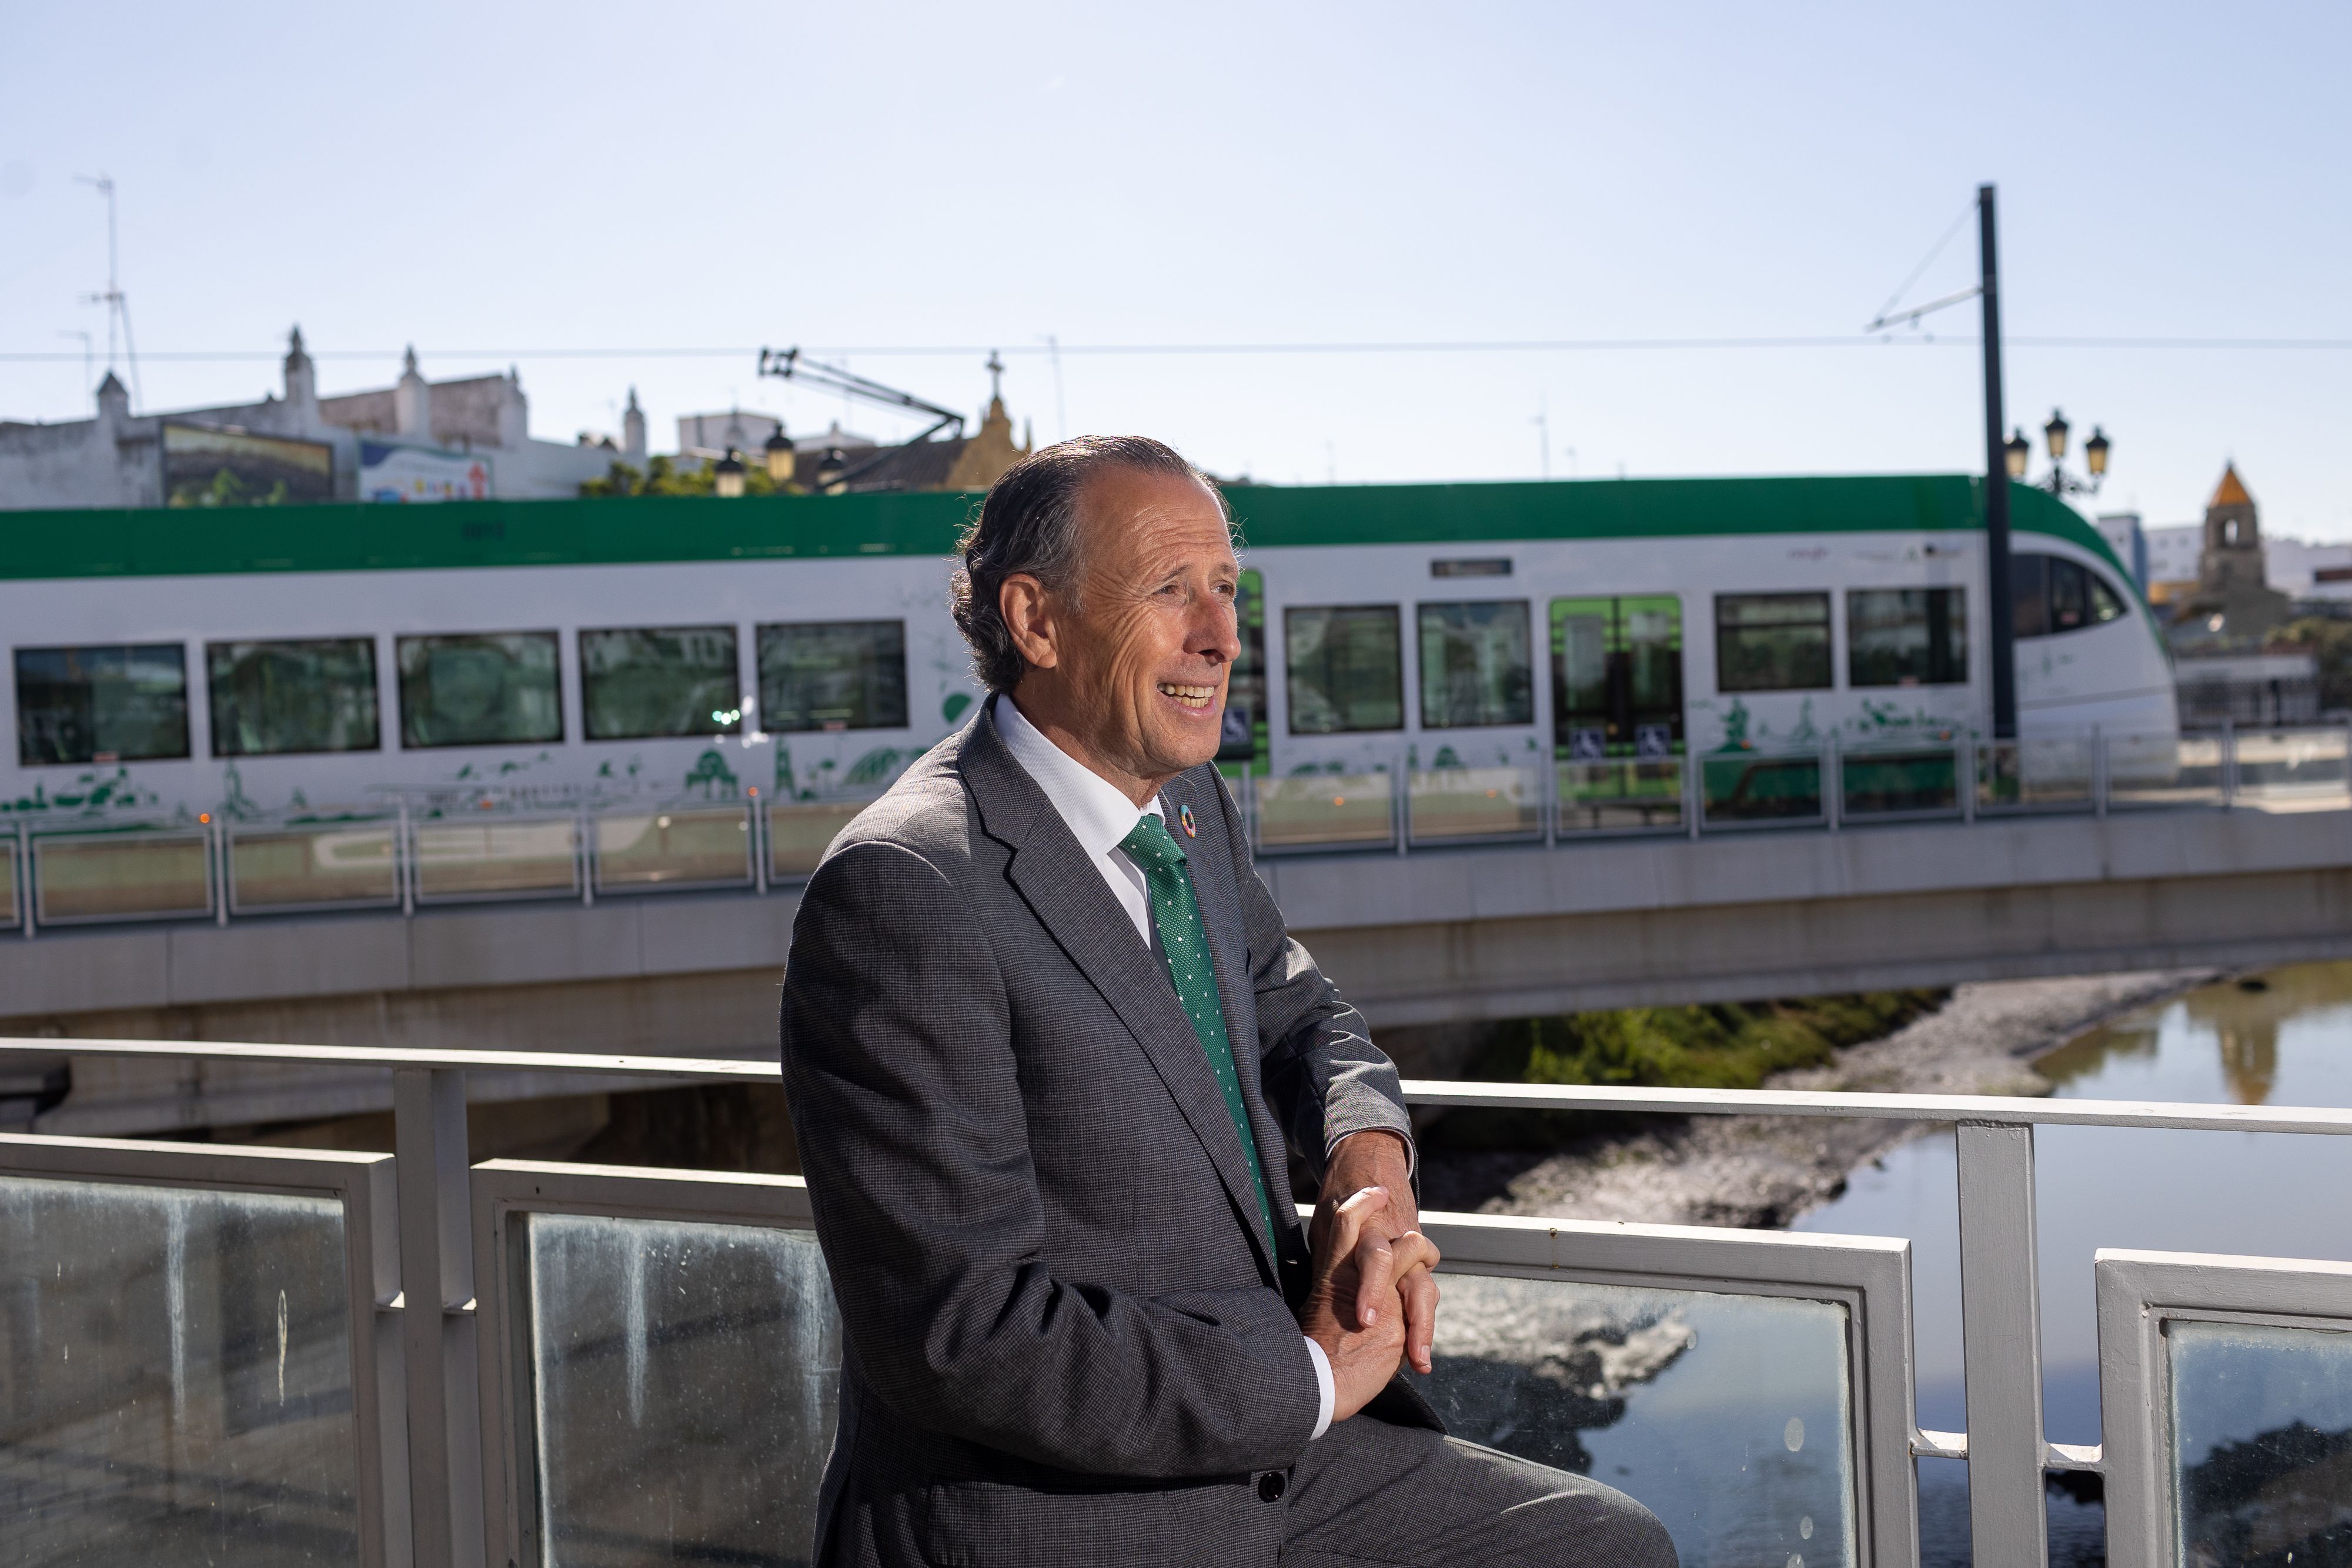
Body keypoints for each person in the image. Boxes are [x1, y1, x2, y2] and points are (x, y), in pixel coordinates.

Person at [779, 436, 1675, 1567]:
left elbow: (1303, 1016)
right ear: (1036, 620)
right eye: (1171, 590)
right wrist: (1307, 1377)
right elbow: (962, 1333)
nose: (1221, 636)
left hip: (1274, 1465)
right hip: (1064, 1513)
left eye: (1227, 588)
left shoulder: (1186, 804)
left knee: (1606, 1545)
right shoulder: (906, 889)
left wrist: (1367, 1168)